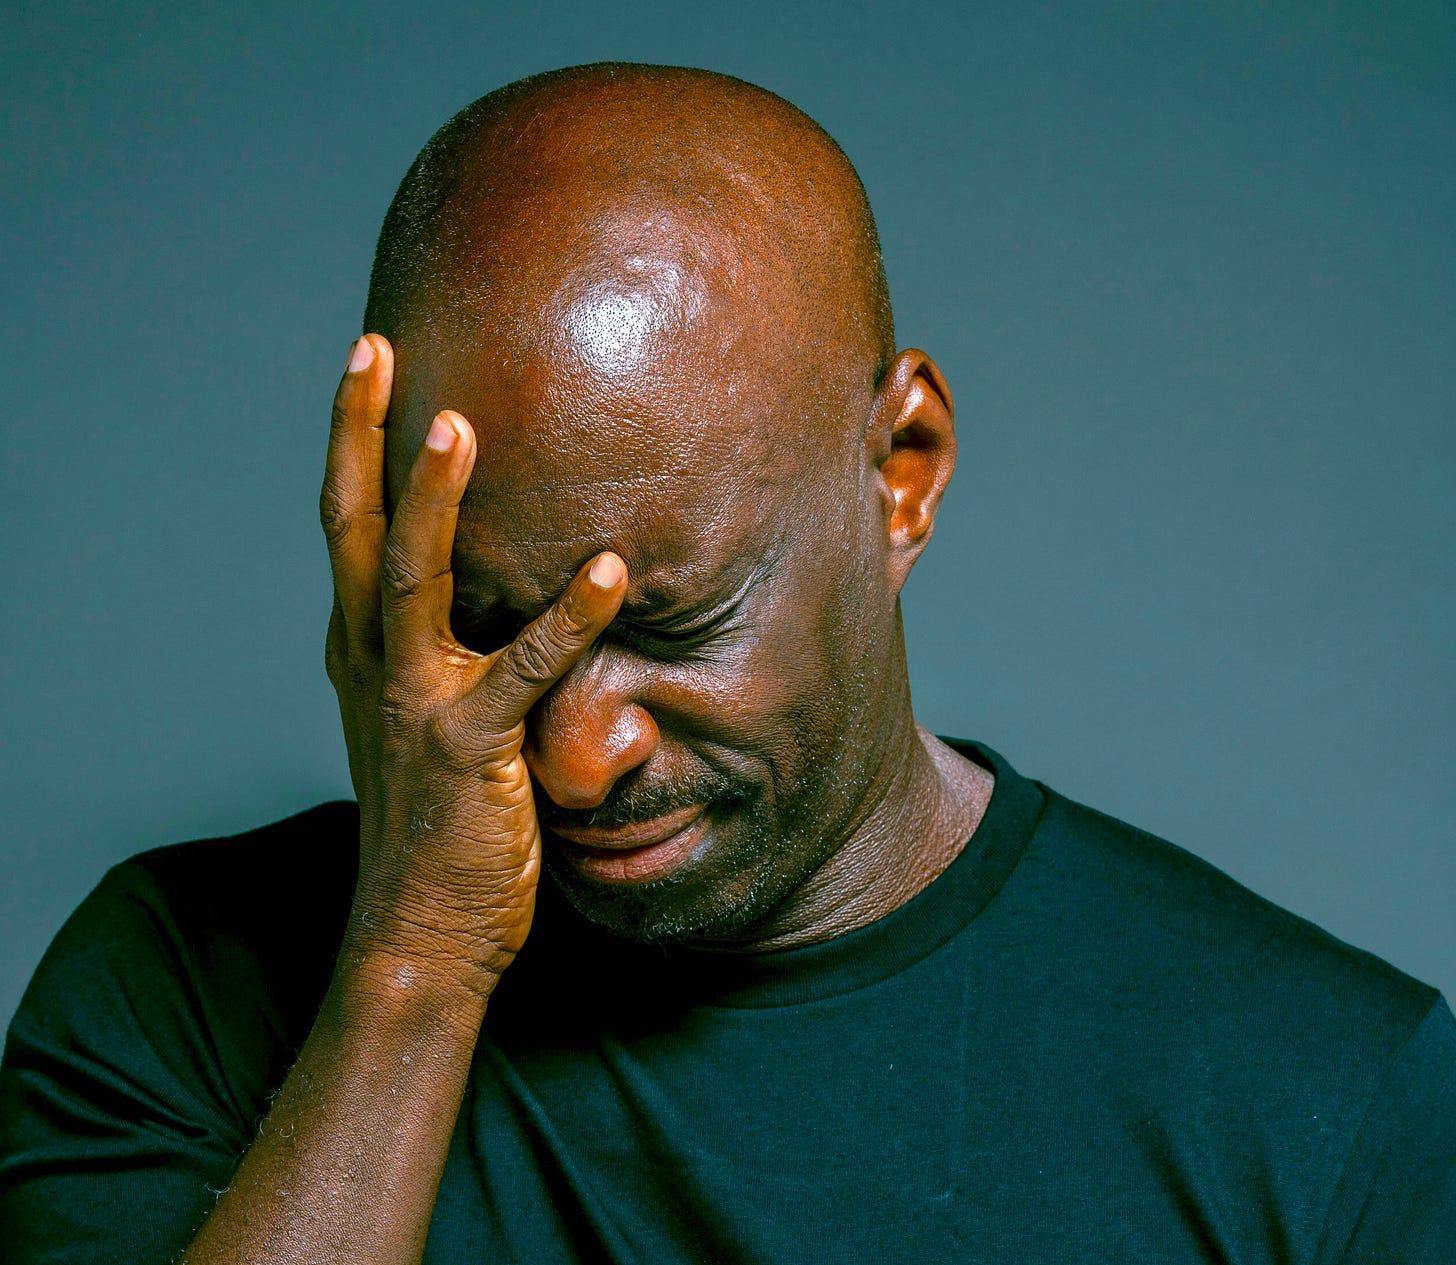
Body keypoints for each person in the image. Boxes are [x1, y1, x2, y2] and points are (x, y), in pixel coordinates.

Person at [1, 62, 1452, 1265]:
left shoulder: (1329, 1100)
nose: (580, 758)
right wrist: (418, 963)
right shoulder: (174, 991)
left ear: (901, 471)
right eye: (492, 629)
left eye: (671, 625)